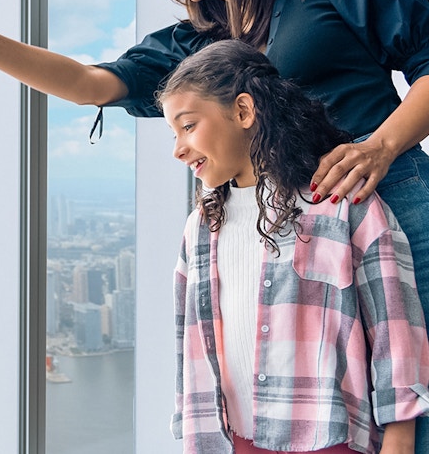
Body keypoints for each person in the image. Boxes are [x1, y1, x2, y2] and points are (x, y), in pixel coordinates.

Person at [0, 0, 429, 445]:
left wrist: (381, 145)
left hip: (398, 210)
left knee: (412, 406)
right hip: (299, 253)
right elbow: (89, 85)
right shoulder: (203, 47)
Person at [157, 39, 429, 454]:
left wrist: (400, 439)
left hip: (330, 439)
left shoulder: (338, 204)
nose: (178, 149)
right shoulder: (200, 228)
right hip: (233, 441)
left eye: (188, 126)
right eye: (173, 133)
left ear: (244, 111)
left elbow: (396, 331)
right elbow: (189, 341)